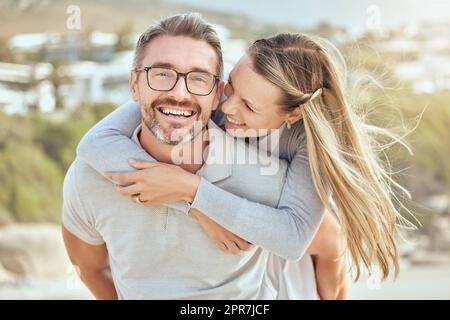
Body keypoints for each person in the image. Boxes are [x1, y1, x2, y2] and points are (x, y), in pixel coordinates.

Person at [78, 15, 413, 300]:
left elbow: (294, 238)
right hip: (244, 228)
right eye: (230, 88)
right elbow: (96, 144)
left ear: (292, 115)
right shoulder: (204, 99)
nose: (226, 108)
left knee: (329, 241)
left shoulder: (306, 143)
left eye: (249, 107)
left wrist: (193, 192)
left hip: (293, 242)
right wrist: (196, 206)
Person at [62, 13, 320, 300]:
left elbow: (310, 243)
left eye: (198, 78)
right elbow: (90, 268)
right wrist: (193, 204)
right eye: (162, 73)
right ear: (134, 85)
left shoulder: (272, 178)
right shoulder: (89, 176)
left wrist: (193, 192)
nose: (179, 92)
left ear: (214, 94)